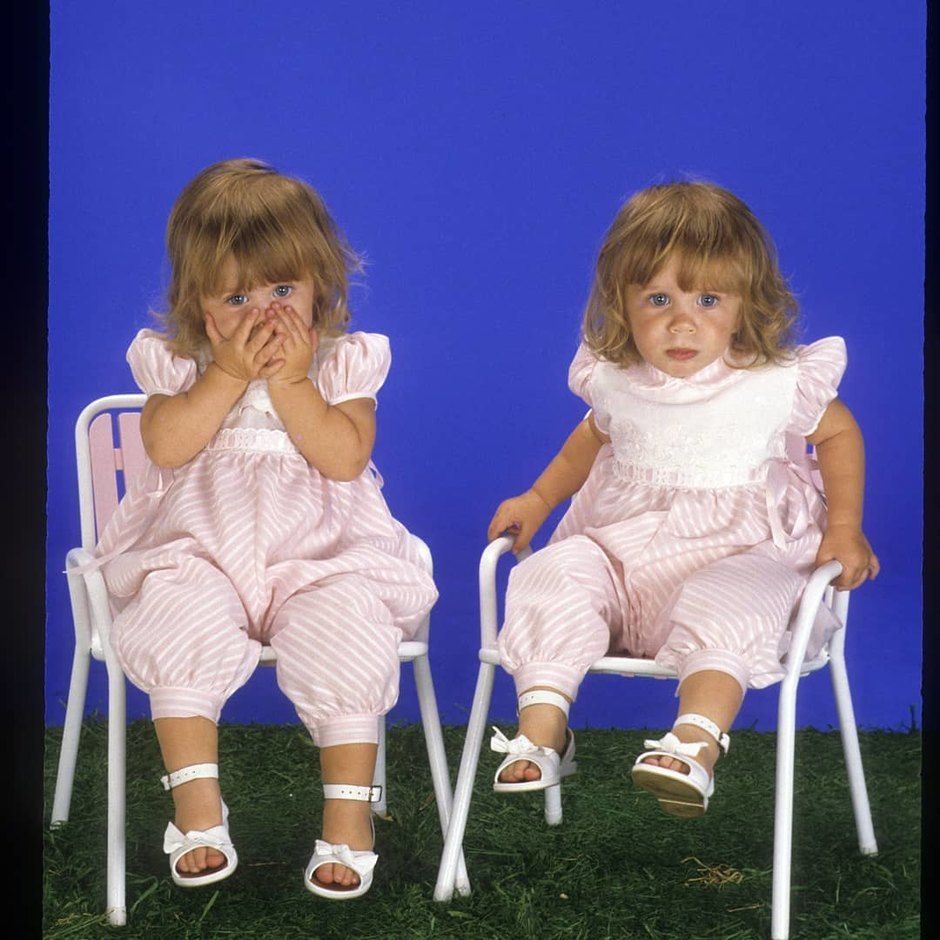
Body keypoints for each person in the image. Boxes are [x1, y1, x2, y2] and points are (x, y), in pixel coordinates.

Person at [90, 158, 437, 898]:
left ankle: (348, 816)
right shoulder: (178, 365)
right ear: (199, 302)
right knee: (175, 617)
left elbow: (344, 459)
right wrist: (224, 375)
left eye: (283, 291)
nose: (264, 315)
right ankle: (197, 808)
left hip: (320, 560)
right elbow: (166, 447)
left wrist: (291, 382)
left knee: (349, 627)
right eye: (237, 297)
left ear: (319, 284)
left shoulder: (341, 365)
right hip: (200, 555)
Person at [486, 181, 878, 817]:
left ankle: (695, 739)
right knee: (550, 574)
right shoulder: (617, 380)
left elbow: (838, 434)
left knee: (735, 598)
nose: (682, 321)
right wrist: (537, 498)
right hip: (621, 561)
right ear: (622, 303)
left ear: (746, 303)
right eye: (658, 299)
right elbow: (585, 444)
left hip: (737, 553)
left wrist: (845, 525)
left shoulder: (773, 384)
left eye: (708, 299)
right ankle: (543, 724)